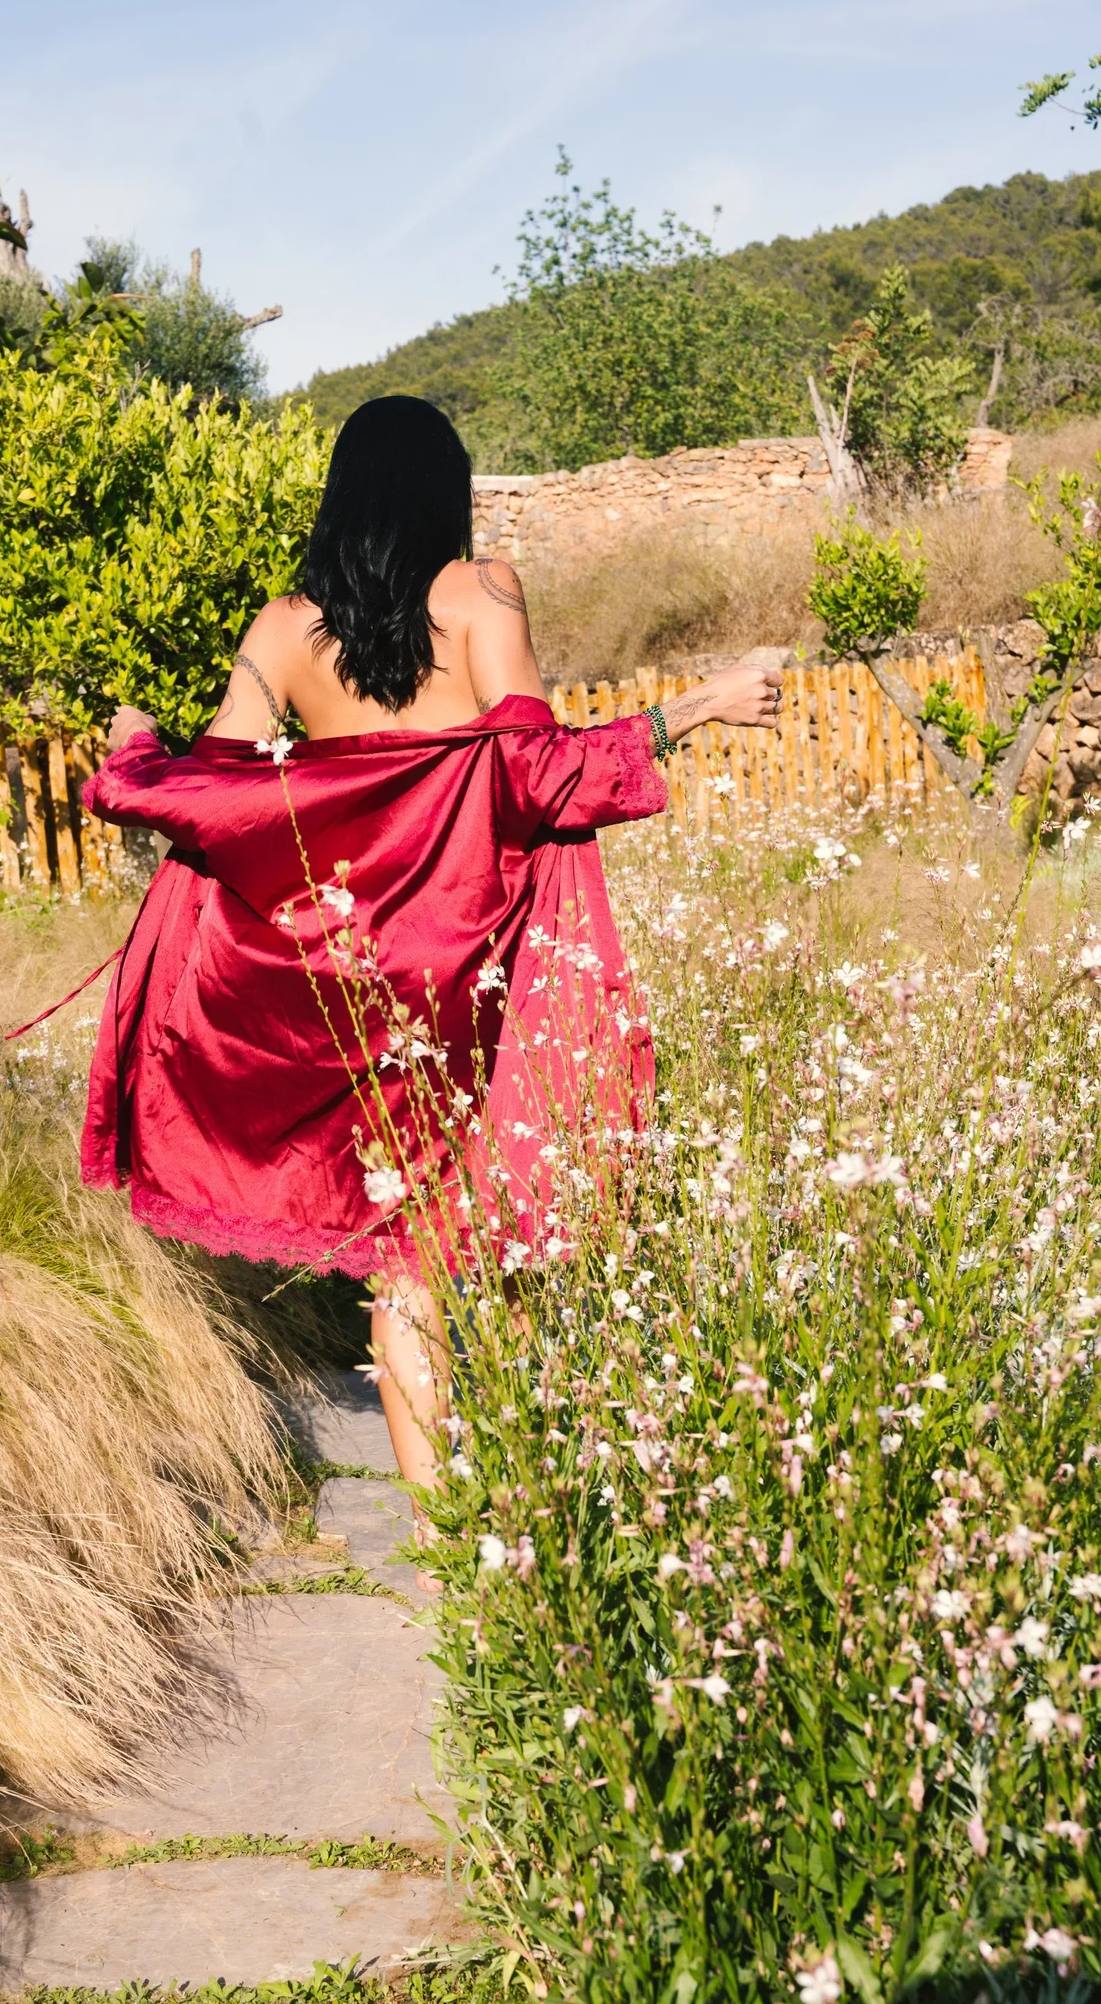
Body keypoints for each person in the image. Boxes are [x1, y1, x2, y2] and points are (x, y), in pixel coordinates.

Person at [79, 396, 780, 1533]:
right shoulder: (481, 593)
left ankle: (452, 1541)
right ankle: (522, 1500)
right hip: (471, 949)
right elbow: (537, 775)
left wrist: (134, 748)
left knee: (407, 1251)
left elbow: (210, 791)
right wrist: (694, 709)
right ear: (440, 491)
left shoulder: (281, 629)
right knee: (484, 1215)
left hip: (348, 967)